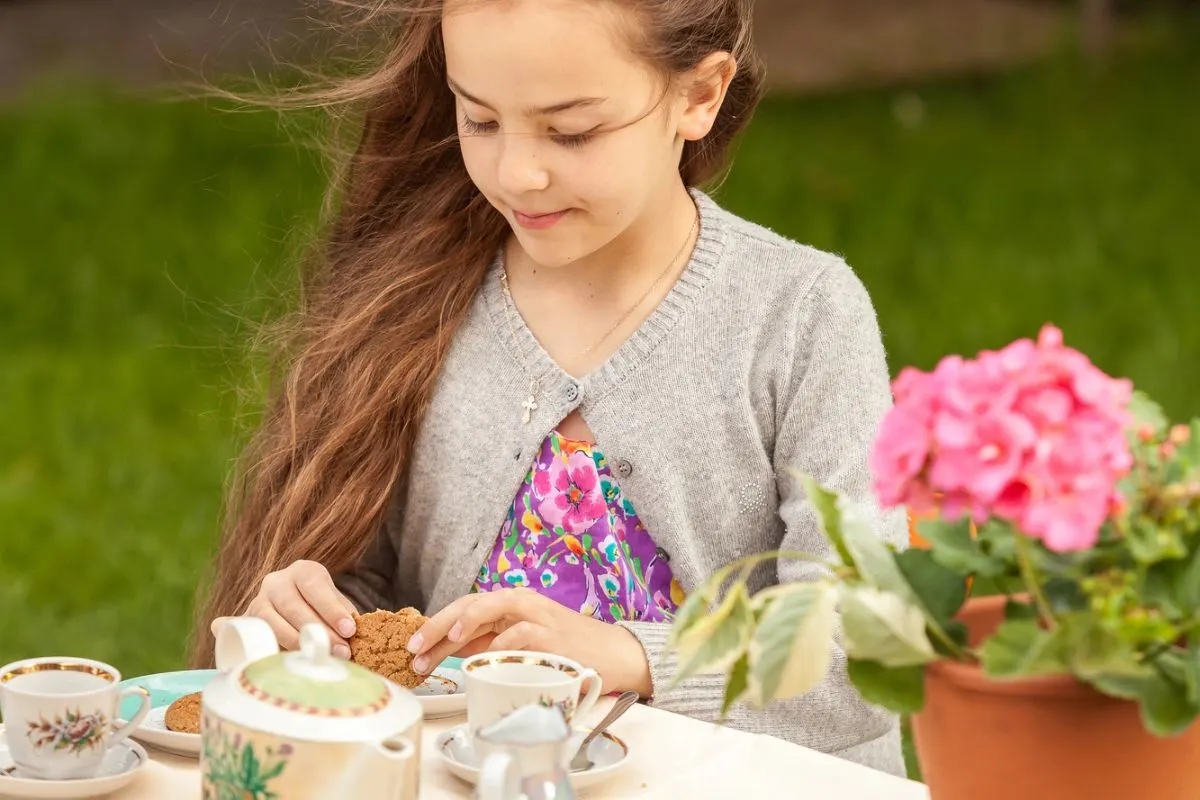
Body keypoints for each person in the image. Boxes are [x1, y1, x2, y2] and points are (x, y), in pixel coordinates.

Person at [191, 0, 909, 776]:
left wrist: (632, 654)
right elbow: (384, 596)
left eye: (571, 131)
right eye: (479, 120)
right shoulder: (419, 301)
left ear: (699, 97)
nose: (516, 174)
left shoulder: (800, 316)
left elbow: (868, 648)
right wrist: (318, 620)